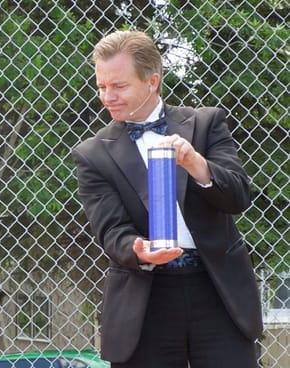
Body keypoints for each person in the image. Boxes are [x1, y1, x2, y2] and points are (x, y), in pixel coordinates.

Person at [72, 30, 263, 368]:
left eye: (119, 86)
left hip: (217, 291)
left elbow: (238, 196)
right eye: (101, 86)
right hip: (146, 298)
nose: (107, 97)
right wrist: (137, 249)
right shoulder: (92, 154)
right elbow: (111, 230)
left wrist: (196, 164)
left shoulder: (205, 124)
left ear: (152, 81)